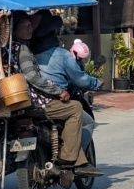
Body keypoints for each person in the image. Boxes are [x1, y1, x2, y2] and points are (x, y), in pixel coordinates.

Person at [10, 15, 100, 176]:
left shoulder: (15, 47)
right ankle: (67, 158)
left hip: (23, 100)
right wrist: (58, 91)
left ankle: (75, 159)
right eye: (25, 26)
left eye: (31, 26)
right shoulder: (24, 49)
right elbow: (32, 77)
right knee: (76, 108)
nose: (30, 29)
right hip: (37, 101)